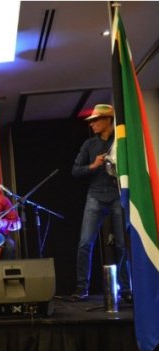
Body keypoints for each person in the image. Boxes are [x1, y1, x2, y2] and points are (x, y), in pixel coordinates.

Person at [71, 104, 131, 302]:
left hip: (117, 195)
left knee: (122, 244)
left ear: (107, 120)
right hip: (95, 195)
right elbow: (75, 170)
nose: (92, 124)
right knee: (85, 242)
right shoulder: (89, 144)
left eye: (96, 120)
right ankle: (82, 288)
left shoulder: (121, 142)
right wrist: (93, 165)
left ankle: (126, 288)